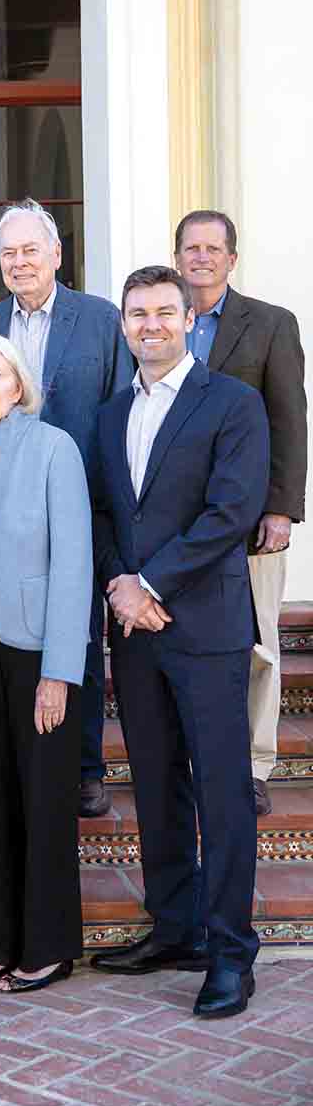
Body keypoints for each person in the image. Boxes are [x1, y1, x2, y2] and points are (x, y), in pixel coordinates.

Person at [90, 266, 270, 1020]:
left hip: (205, 629)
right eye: (138, 314)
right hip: (135, 633)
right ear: (125, 325)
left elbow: (232, 512)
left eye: (166, 312)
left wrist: (150, 585)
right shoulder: (108, 413)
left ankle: (231, 952)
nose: (152, 325)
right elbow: (101, 513)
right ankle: (176, 929)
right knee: (157, 785)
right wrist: (117, 586)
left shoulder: (233, 403)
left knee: (223, 794)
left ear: (188, 321)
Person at [0, 199, 133, 818]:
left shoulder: (98, 319)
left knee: (77, 634)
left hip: (77, 499)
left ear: (56, 254)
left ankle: (85, 765)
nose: (18, 262)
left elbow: (117, 412)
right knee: (1, 634)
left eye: (29, 250)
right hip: (2, 502)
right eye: (7, 253)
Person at [0, 334, 91, 994]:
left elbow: (75, 565)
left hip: (35, 645)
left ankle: (51, 946)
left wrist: (61, 669)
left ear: (18, 384)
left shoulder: (53, 449)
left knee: (42, 795)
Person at [174, 210, 307, 816]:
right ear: (177, 257)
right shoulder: (161, 321)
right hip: (174, 519)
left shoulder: (271, 325)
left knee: (257, 646)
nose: (201, 258)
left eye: (212, 248)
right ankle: (188, 758)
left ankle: (252, 763)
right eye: (190, 248)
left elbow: (289, 420)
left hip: (250, 519)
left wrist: (282, 508)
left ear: (232, 257)